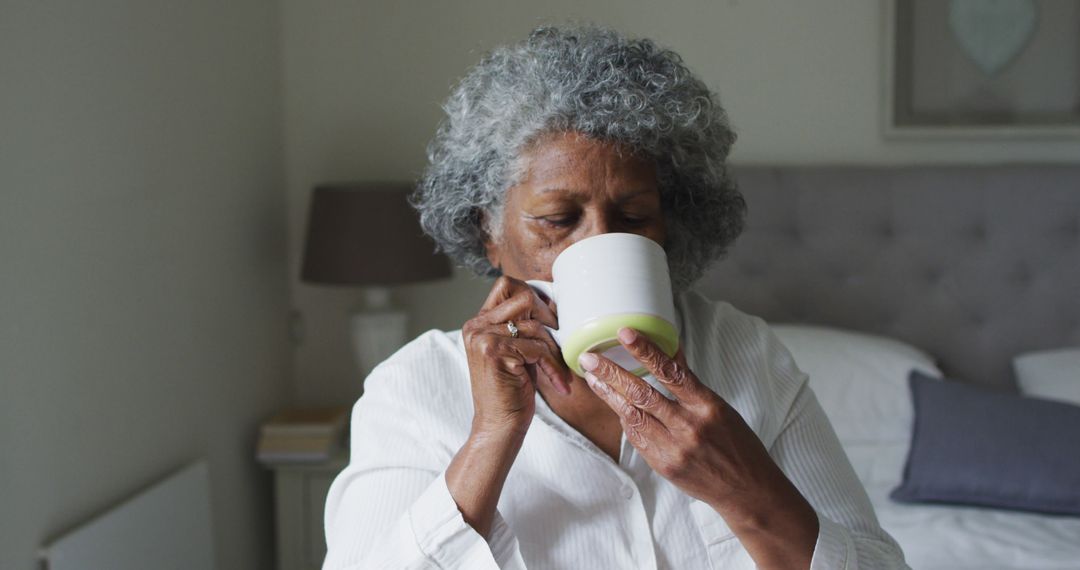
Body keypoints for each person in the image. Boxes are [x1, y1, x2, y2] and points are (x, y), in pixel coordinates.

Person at [322, 25, 908, 570]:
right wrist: (490, 438)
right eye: (557, 219)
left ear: (670, 227)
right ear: (489, 235)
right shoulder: (415, 390)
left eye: (633, 216)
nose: (600, 242)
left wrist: (748, 491)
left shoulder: (745, 356)